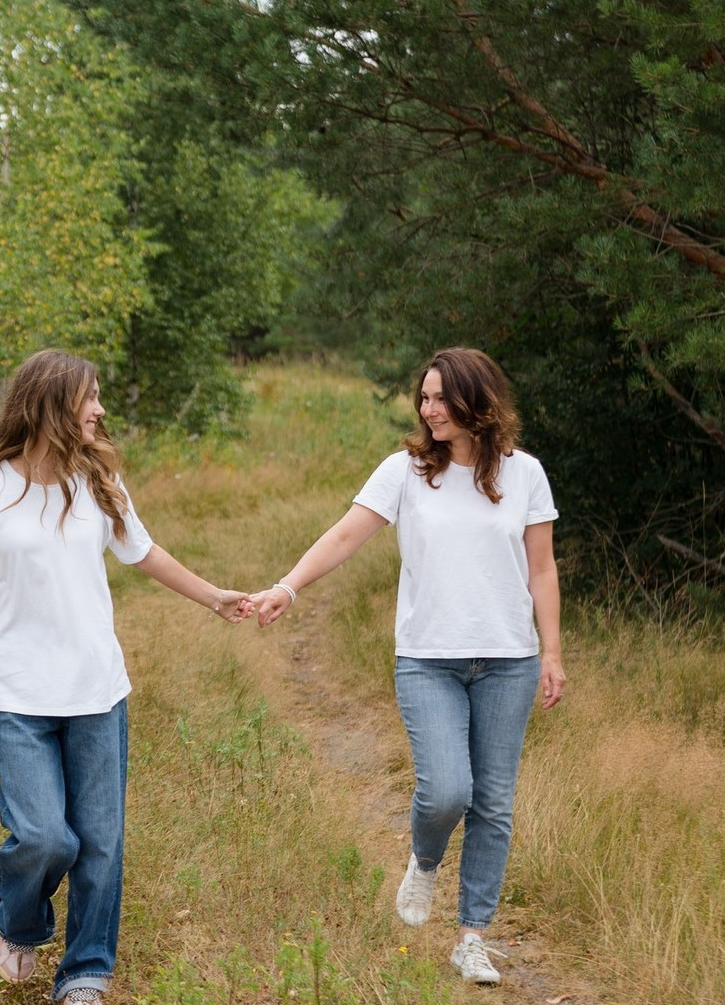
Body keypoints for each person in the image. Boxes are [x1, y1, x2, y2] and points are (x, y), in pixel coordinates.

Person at [250, 347, 565, 987]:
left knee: (494, 803)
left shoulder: (525, 473)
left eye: (442, 397)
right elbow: (346, 533)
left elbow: (542, 567)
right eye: (424, 397)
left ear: (477, 400)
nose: (429, 408)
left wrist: (552, 652)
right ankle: (424, 859)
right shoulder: (406, 471)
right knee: (448, 790)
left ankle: (472, 938)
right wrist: (288, 587)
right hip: (427, 659)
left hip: (510, 660)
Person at [0, 349, 252, 1005]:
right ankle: (19, 922)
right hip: (18, 694)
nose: (100, 409)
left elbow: (144, 552)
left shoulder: (98, 480)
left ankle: (85, 971)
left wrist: (214, 598)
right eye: (89, 397)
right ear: (50, 403)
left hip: (95, 689)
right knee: (43, 836)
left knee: (101, 843)